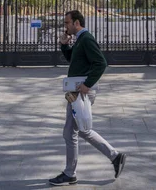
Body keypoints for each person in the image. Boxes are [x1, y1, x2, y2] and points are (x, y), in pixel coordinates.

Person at [49, 10, 126, 186]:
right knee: (75, 131)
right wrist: (64, 45)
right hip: (75, 90)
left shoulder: (87, 39)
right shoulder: (80, 40)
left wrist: (88, 84)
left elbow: (101, 63)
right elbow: (75, 60)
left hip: (81, 91)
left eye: (67, 23)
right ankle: (113, 157)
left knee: (74, 132)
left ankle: (73, 172)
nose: (65, 26)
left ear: (77, 23)